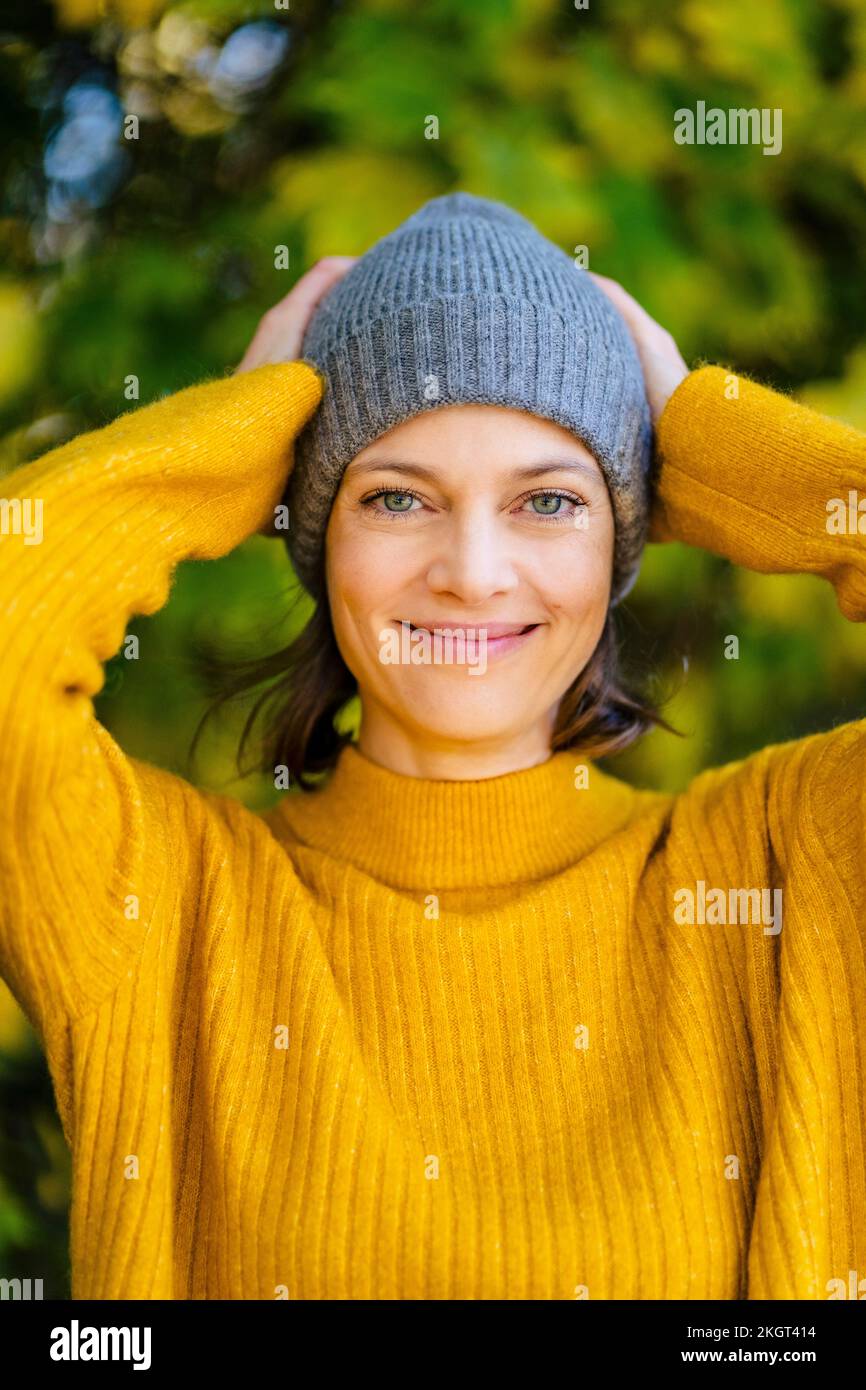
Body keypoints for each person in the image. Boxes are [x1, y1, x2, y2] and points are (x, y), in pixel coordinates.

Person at [0, 192, 864, 1301]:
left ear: (622, 539)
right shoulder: (159, 905)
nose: (471, 569)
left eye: (547, 503)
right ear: (313, 530)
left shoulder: (784, 873)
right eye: (396, 498)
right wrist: (232, 435)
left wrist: (713, 439)